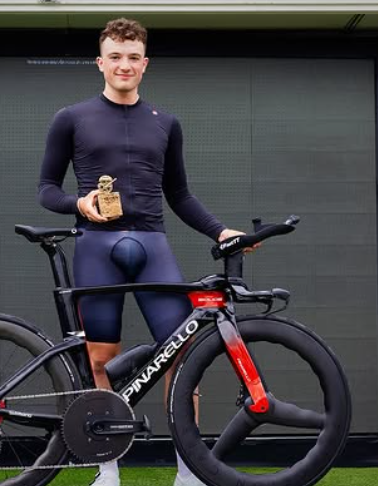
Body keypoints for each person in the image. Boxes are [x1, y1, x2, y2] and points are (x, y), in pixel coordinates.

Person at [38, 17, 252, 486]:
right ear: (100, 63)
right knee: (100, 359)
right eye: (115, 56)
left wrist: (220, 231)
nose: (124, 65)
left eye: (133, 57)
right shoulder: (71, 118)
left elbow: (180, 195)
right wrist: (78, 204)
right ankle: (107, 470)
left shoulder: (165, 123)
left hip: (152, 243)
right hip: (96, 246)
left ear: (145, 63)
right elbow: (46, 189)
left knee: (181, 355)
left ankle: (188, 473)